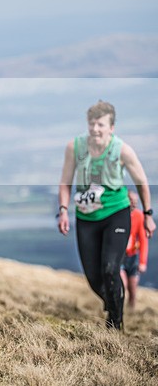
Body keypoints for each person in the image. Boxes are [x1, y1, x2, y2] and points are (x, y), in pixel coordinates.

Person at [57, 100, 155, 330]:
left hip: (116, 214)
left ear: (111, 127)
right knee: (94, 277)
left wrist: (148, 214)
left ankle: (115, 324)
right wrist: (63, 210)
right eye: (92, 124)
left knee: (111, 268)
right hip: (87, 218)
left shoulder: (122, 150)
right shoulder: (74, 147)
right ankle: (114, 305)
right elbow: (65, 183)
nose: (95, 129)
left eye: (100, 124)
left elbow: (141, 182)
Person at [120, 189, 149, 310]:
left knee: (133, 288)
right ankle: (118, 310)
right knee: (122, 285)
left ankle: (131, 312)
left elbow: (143, 240)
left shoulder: (138, 216)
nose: (134, 203)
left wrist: (142, 262)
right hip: (119, 255)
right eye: (131, 200)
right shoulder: (118, 216)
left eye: (136, 201)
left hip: (132, 256)